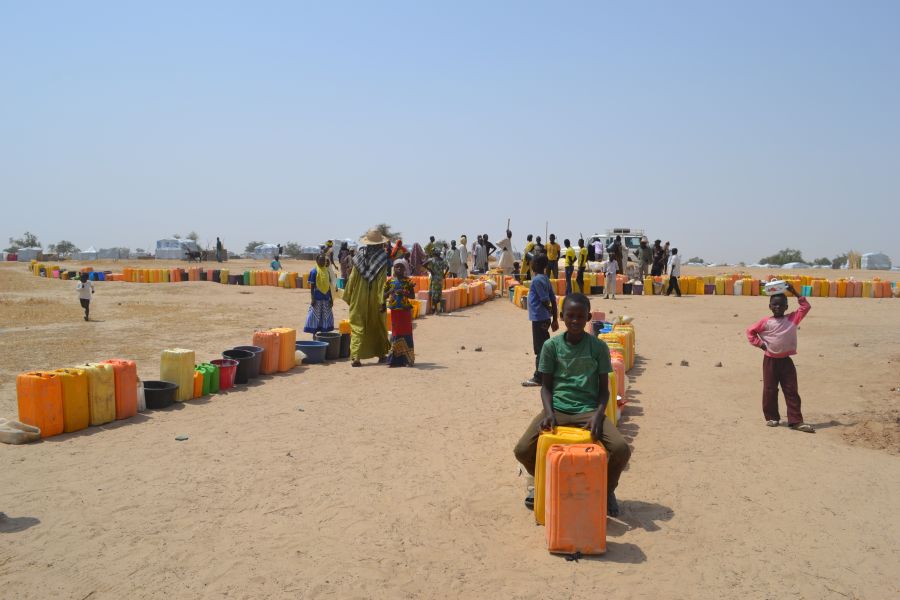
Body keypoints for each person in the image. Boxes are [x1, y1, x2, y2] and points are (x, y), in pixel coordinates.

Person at [513, 293, 632, 516]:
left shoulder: (598, 348)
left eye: (580, 316)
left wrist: (598, 416)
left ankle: (606, 489)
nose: (575, 321)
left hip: (588, 410)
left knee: (621, 449)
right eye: (570, 316)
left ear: (588, 317)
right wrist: (549, 413)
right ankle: (542, 482)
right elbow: (546, 387)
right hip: (557, 409)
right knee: (521, 450)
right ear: (562, 316)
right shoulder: (551, 346)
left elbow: (604, 390)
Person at [746, 283, 814, 432]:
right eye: (774, 305)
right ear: (770, 306)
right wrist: (760, 344)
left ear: (786, 307)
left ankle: (796, 421)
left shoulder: (793, 319)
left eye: (781, 305)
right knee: (770, 389)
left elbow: (806, 307)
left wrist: (794, 291)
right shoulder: (766, 322)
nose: (778, 307)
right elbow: (750, 332)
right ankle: (772, 418)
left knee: (791, 390)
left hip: (786, 361)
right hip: (770, 360)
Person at [344, 229, 392, 367]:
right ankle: (382, 354)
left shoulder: (359, 256)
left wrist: (348, 296)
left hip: (359, 296)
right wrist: (382, 301)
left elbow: (352, 278)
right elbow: (382, 282)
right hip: (375, 297)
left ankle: (355, 357)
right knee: (378, 324)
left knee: (357, 325)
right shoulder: (382, 258)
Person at [522, 254, 559, 387]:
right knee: (544, 346)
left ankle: (539, 377)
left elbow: (545, 300)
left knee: (540, 349)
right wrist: (554, 319)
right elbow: (553, 300)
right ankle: (547, 374)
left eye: (532, 262)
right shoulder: (545, 279)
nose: (530, 264)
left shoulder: (537, 280)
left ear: (535, 265)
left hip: (539, 318)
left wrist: (549, 311)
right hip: (544, 318)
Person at [383, 259, 416, 367]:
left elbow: (412, 296)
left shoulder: (408, 281)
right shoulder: (389, 281)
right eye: (397, 267)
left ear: (405, 269)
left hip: (405, 311)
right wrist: (390, 291)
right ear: (394, 268)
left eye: (401, 267)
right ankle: (394, 360)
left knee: (406, 333)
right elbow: (383, 295)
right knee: (396, 334)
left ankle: (407, 360)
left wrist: (404, 292)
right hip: (394, 311)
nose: (399, 269)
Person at [304, 254, 336, 334]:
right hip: (317, 297)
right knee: (315, 316)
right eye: (321, 260)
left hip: (326, 298)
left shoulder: (327, 271)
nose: (322, 262)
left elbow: (328, 287)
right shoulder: (314, 271)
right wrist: (312, 298)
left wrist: (331, 299)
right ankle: (314, 333)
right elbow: (312, 287)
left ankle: (324, 333)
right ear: (317, 261)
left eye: (324, 260)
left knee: (326, 316)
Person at [425, 247, 449, 314]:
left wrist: (430, 270)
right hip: (440, 279)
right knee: (438, 293)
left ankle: (434, 309)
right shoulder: (441, 260)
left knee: (434, 294)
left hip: (434, 279)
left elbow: (424, 264)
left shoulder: (431, 260)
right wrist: (444, 274)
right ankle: (435, 309)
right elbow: (448, 267)